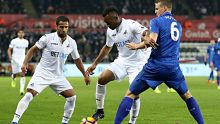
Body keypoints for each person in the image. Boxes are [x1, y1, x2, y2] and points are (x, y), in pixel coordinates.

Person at [114, 0, 204, 124]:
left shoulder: (156, 21)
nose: (155, 11)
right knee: (187, 95)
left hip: (156, 66)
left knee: (130, 93)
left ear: (165, 8)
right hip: (173, 68)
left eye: (157, 9)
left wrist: (136, 46)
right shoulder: (178, 24)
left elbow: (153, 41)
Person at [11, 16, 91, 124]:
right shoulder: (47, 38)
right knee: (29, 94)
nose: (64, 29)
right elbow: (32, 50)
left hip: (58, 76)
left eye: (66, 27)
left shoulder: (72, 42)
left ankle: (64, 122)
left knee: (72, 97)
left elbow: (77, 60)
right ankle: (14, 121)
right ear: (57, 26)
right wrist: (24, 64)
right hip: (42, 73)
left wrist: (85, 74)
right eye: (61, 27)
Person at [86, 6, 151, 124]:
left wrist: (146, 37)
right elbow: (107, 48)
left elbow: (145, 31)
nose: (107, 25)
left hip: (138, 64)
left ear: (115, 17)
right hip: (122, 61)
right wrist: (94, 64)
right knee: (101, 79)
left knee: (134, 92)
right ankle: (100, 111)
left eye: (108, 22)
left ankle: (132, 122)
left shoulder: (131, 24)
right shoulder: (110, 31)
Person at [7, 29, 29, 95]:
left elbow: (27, 51)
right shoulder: (14, 41)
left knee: (22, 73)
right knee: (15, 73)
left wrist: (27, 59)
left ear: (24, 34)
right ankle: (13, 78)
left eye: (22, 33)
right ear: (17, 34)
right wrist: (10, 56)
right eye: (20, 33)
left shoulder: (26, 41)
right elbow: (9, 50)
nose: (21, 34)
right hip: (14, 59)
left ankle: (21, 90)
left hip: (22, 59)